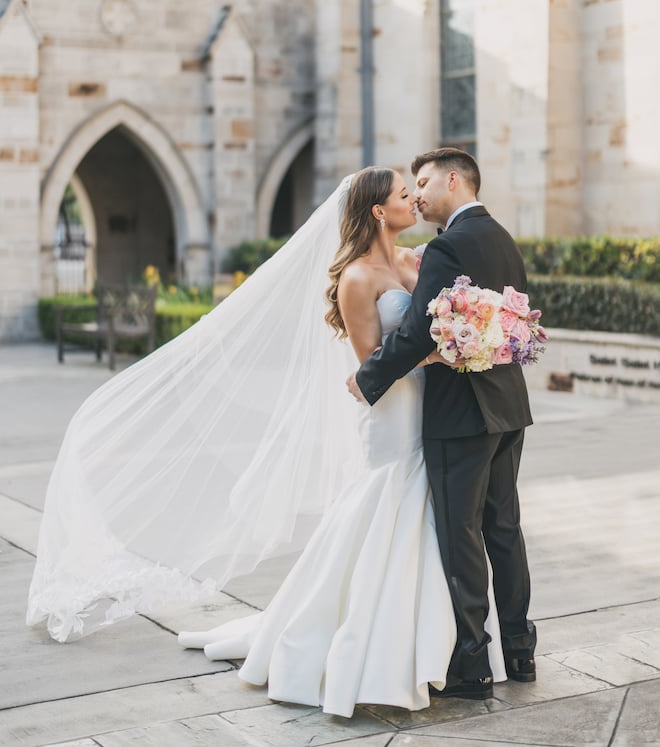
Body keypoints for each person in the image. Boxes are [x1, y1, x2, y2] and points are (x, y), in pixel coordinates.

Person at [177, 166, 505, 714]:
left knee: (436, 521)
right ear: (379, 211)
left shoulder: (413, 260)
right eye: (405, 194)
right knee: (390, 506)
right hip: (393, 413)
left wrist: (468, 328)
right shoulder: (356, 278)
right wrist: (446, 346)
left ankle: (440, 646)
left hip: (434, 408)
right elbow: (371, 365)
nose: (414, 201)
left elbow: (450, 305)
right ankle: (368, 643)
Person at [348, 148, 537, 701]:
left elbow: (418, 334)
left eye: (424, 183)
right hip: (507, 406)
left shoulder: (449, 244)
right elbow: (517, 318)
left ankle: (472, 663)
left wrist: (369, 378)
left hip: (460, 413)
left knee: (460, 534)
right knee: (504, 528)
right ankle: (520, 650)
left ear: (453, 180)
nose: (419, 194)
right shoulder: (502, 236)